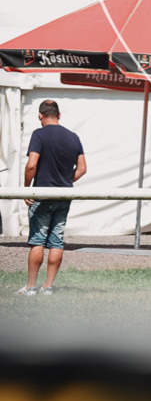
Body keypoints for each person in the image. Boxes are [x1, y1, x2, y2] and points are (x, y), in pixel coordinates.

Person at [16, 100, 86, 296]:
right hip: (64, 195)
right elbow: (82, 168)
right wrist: (65, 181)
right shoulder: (73, 137)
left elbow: (31, 165)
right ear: (59, 115)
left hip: (42, 194)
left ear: (40, 115)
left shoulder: (39, 135)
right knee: (56, 241)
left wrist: (26, 189)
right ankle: (47, 287)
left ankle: (30, 287)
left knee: (38, 240)